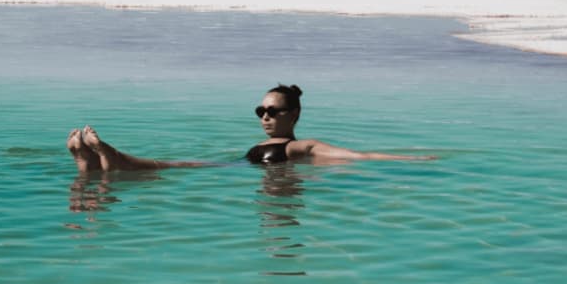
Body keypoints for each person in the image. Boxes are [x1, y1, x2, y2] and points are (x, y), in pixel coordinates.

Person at [66, 84, 434, 172]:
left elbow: (357, 155)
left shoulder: (298, 146)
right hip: (241, 165)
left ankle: (107, 157)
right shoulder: (260, 146)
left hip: (255, 170)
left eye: (273, 111)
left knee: (169, 169)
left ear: (293, 115)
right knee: (179, 166)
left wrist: (409, 158)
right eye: (261, 110)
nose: (265, 117)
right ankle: (93, 162)